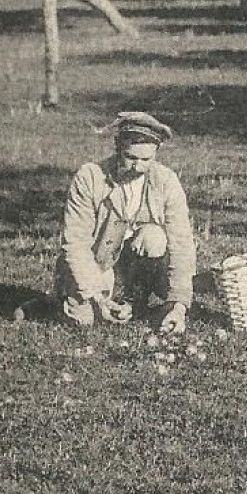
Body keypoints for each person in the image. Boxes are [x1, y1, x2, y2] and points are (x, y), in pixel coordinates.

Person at [54, 111, 195, 335]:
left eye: (146, 160)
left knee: (154, 237)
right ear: (118, 148)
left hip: (135, 267)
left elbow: (182, 244)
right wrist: (97, 298)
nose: (137, 167)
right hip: (97, 263)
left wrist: (179, 304)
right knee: (85, 321)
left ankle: (136, 299)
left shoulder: (166, 181)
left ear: (156, 154)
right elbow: (76, 243)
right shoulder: (90, 177)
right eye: (131, 158)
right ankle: (66, 300)